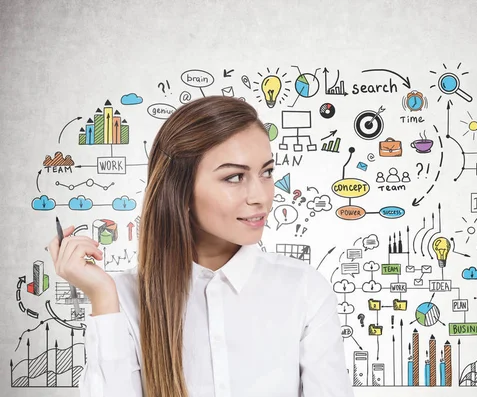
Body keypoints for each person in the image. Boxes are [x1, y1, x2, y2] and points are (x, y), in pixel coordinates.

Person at [48, 96, 354, 397]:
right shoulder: (124, 298)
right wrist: (102, 297)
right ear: (178, 190)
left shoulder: (303, 289)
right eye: (235, 177)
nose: (260, 195)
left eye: (267, 172)